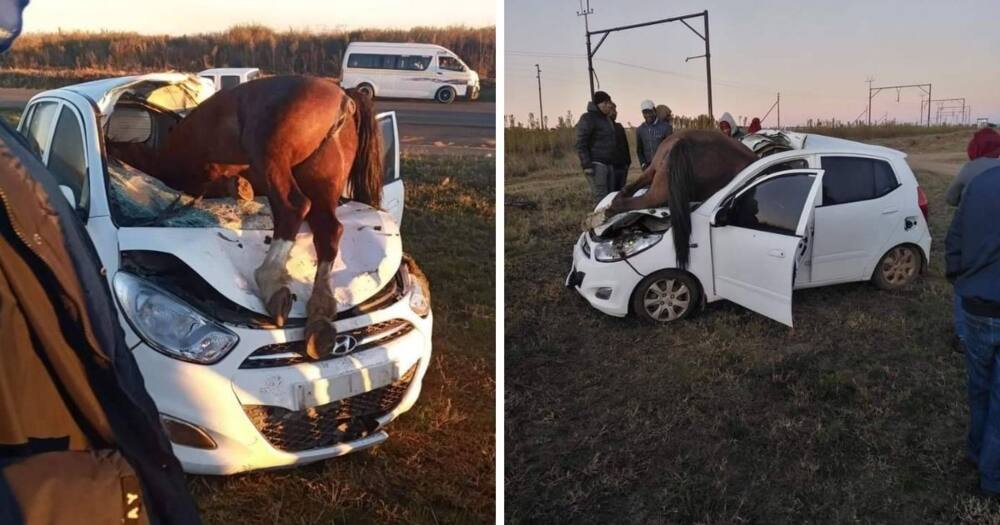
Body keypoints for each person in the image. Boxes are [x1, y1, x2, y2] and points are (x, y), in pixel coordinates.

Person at [946, 165, 1000, 496]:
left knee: (979, 386)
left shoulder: (981, 183)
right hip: (981, 298)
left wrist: (961, 281)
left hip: (977, 304)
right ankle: (991, 478)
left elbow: (954, 238)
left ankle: (976, 451)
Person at [946, 128, 1000, 350]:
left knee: (966, 279)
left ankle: (963, 335)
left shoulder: (971, 169)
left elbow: (950, 198)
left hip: (973, 232)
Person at [575, 90, 618, 202]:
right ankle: (600, 218)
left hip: (609, 164)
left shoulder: (607, 119)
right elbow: (581, 142)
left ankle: (610, 219)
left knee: (610, 197)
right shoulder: (588, 118)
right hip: (596, 165)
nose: (609, 105)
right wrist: (586, 164)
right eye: (606, 103)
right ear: (599, 104)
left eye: (609, 103)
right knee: (601, 197)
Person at [635, 99, 672, 171]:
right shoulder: (640, 130)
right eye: (645, 113)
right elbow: (639, 150)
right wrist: (643, 164)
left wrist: (666, 164)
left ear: (654, 111)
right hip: (648, 167)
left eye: (650, 112)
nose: (648, 115)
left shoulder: (666, 127)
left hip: (662, 166)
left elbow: (670, 148)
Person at [609, 103, 630, 192]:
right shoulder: (603, 127)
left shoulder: (619, 127)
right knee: (611, 191)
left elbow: (625, 145)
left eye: (615, 110)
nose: (615, 112)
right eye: (613, 110)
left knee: (621, 191)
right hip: (611, 166)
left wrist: (628, 162)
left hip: (622, 166)